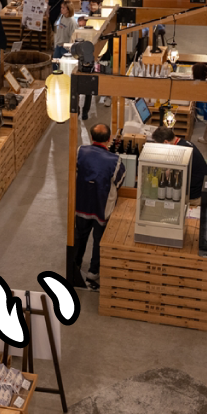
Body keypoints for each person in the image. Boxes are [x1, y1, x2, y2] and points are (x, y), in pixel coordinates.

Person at [74, 124, 125, 290]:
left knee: (79, 236)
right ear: (109, 139)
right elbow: (119, 181)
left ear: (91, 137)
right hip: (102, 209)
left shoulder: (80, 151)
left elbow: (75, 172)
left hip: (81, 205)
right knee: (99, 241)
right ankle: (93, 272)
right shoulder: (115, 161)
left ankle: (75, 264)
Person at [152, 126, 207, 206]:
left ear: (166, 142)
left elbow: (167, 174)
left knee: (161, 195)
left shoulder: (179, 152)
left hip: (195, 196)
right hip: (205, 186)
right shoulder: (183, 143)